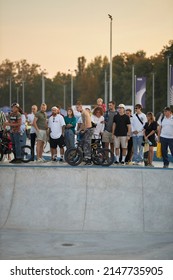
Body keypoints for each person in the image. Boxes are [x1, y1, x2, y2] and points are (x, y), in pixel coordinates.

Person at [76, 101, 93, 165]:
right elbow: (83, 123)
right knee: (82, 142)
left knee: (87, 144)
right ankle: (85, 157)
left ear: (80, 107)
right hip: (87, 129)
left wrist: (84, 130)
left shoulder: (84, 113)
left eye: (77, 108)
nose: (77, 109)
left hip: (88, 129)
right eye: (76, 108)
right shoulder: (82, 113)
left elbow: (86, 123)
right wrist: (79, 130)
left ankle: (89, 159)